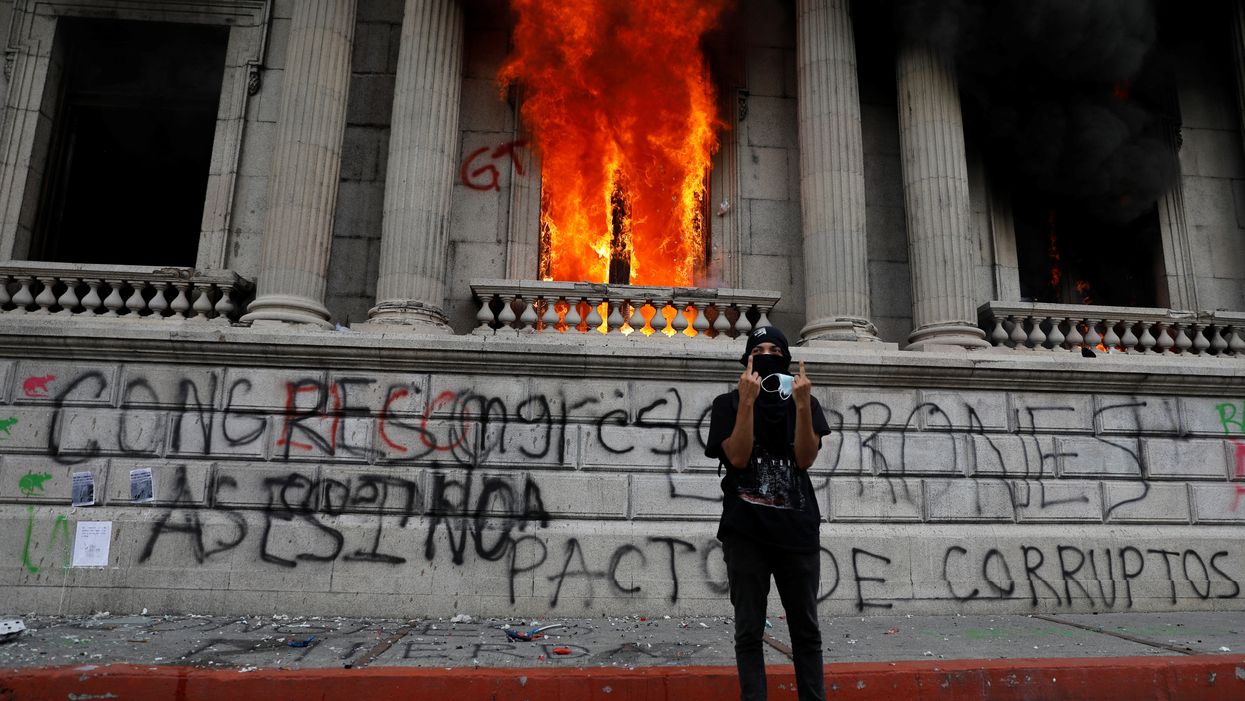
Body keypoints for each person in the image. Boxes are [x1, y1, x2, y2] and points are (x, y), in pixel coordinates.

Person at [705, 326, 830, 701]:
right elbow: (738, 457)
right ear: (747, 359)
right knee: (748, 631)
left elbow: (805, 458)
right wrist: (746, 402)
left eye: (776, 348)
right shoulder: (727, 404)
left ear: (788, 359)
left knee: (806, 631)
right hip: (746, 534)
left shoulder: (803, 401)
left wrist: (804, 405)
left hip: (798, 532)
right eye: (758, 349)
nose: (767, 353)